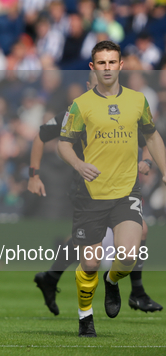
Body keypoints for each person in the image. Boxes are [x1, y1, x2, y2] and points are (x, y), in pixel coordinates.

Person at [30, 71, 162, 316]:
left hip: (122, 186)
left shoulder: (122, 111)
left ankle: (135, 291)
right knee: (89, 245)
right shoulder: (75, 112)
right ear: (89, 86)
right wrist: (33, 174)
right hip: (86, 188)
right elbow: (41, 136)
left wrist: (148, 162)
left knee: (135, 231)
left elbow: (145, 141)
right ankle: (134, 291)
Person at [57, 41, 166, 337]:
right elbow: (63, 144)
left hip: (125, 192)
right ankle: (85, 317)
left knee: (129, 256)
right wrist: (79, 165)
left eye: (112, 62)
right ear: (93, 68)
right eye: (101, 63)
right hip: (90, 194)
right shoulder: (81, 105)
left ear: (121, 65)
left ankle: (113, 281)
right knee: (89, 262)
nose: (107, 68)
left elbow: (152, 136)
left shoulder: (138, 101)